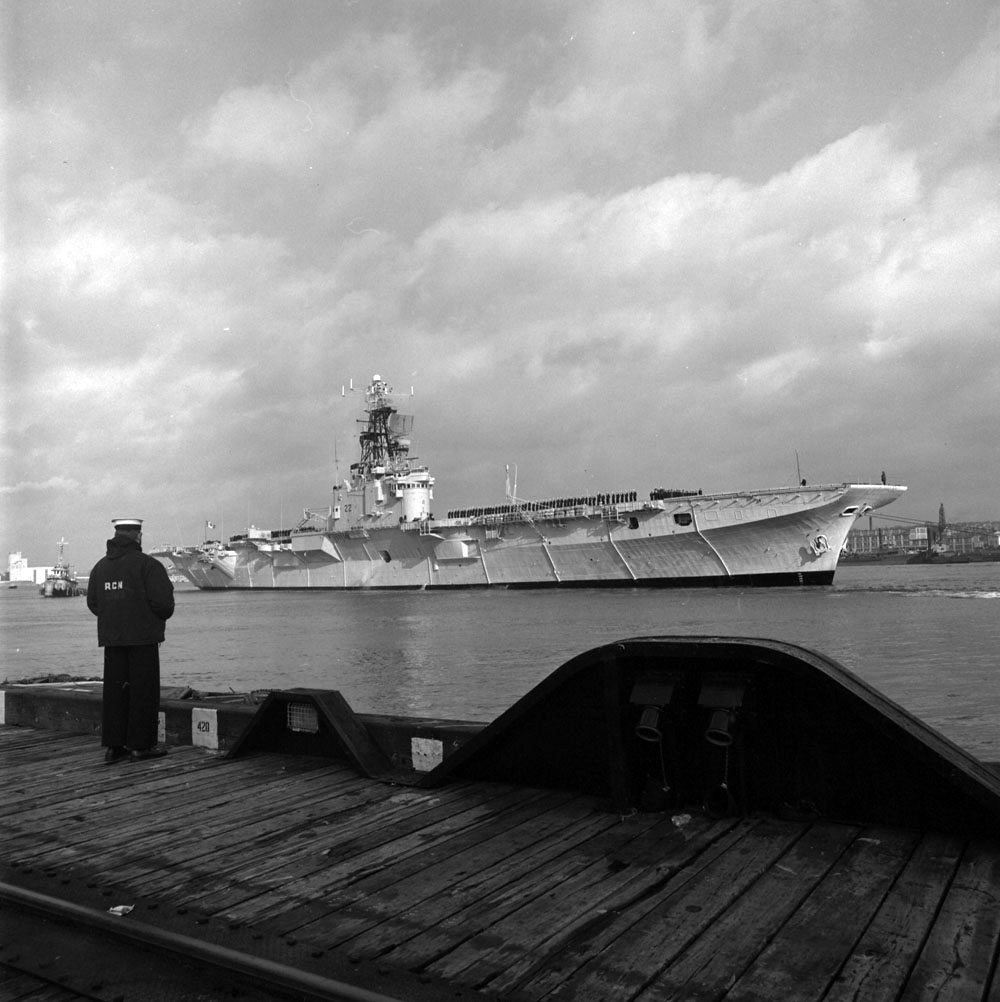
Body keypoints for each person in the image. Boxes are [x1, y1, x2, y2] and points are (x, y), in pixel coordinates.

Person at [87, 518, 175, 763]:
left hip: (112, 640)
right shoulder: (148, 565)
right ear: (138, 536)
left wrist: (115, 617)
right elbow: (164, 604)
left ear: (115, 535)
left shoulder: (99, 568)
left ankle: (114, 746)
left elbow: (94, 604)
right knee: (143, 693)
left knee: (115, 693)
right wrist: (148, 618)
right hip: (143, 639)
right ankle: (141, 745)